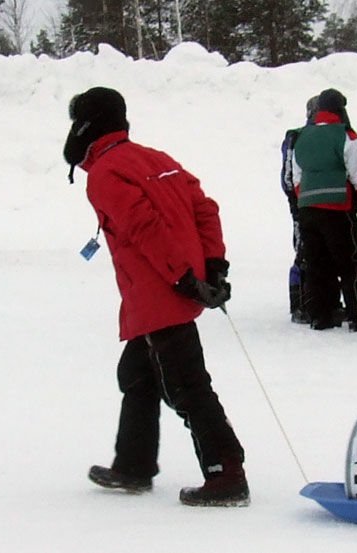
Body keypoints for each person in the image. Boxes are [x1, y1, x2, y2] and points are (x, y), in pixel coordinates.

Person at [63, 87, 249, 506]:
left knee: (186, 387)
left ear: (88, 125)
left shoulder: (106, 172)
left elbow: (143, 227)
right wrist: (213, 264)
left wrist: (185, 277)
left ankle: (227, 474)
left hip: (160, 296)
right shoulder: (158, 159)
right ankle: (133, 464)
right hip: (161, 294)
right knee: (138, 375)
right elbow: (206, 209)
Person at [292, 88, 357, 332]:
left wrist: (308, 202)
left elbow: (296, 178)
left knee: (316, 265)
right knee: (350, 264)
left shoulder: (302, 135)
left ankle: (320, 316)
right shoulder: (347, 136)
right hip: (337, 208)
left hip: (308, 210)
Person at [281, 97, 318, 324]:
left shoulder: (297, 136)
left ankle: (312, 302)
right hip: (303, 203)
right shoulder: (296, 136)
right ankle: (301, 304)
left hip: (304, 202)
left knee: (307, 251)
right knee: (304, 252)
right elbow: (288, 175)